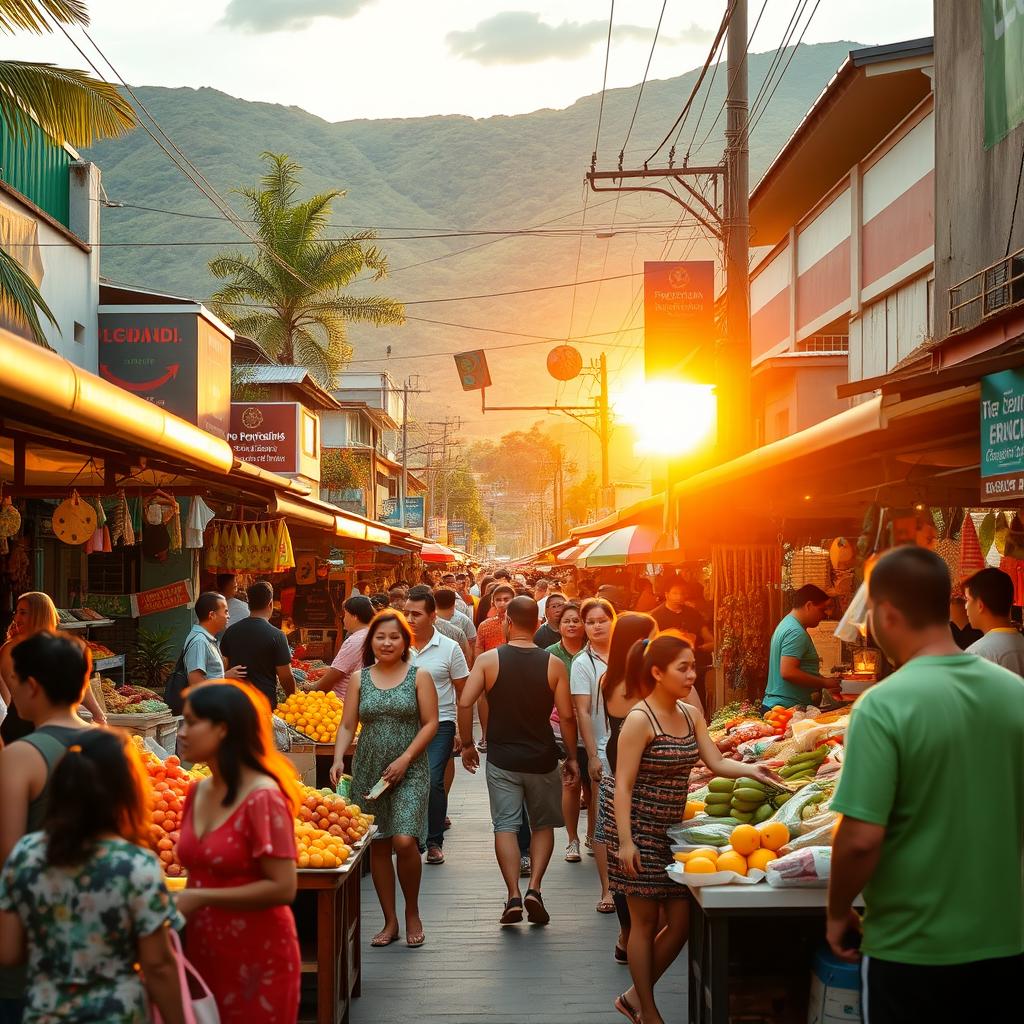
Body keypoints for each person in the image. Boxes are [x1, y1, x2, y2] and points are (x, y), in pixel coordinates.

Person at [827, 546, 1024, 1022]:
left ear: (888, 613)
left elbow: (859, 839)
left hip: (910, 948)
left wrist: (837, 913)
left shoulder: (883, 705)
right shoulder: (1015, 695)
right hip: (1006, 941)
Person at [612, 634, 782, 1024]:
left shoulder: (690, 713)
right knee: (645, 922)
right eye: (683, 668)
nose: (692, 675)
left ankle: (633, 997)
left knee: (682, 921)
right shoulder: (639, 719)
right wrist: (624, 842)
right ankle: (648, 1010)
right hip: (636, 826)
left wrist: (753, 769)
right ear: (657, 672)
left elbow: (716, 762)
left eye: (693, 666)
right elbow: (621, 784)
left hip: (674, 827)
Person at [0, 728, 186, 1024]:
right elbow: (158, 964)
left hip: (45, 1011)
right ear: (128, 790)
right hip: (118, 1012)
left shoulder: (26, 854)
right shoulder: (136, 865)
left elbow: (8, 951)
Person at [175, 682, 303, 1023]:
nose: (182, 732)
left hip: (257, 956)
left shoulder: (263, 797)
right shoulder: (197, 791)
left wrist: (199, 899)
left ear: (223, 728)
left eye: (191, 722)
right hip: (202, 951)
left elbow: (283, 886)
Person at [459, 597, 579, 927]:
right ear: (538, 622)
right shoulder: (553, 664)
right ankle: (535, 890)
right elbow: (567, 717)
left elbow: (465, 701)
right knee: (542, 826)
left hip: (502, 758)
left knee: (505, 826)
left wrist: (468, 744)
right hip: (541, 758)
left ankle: (513, 893)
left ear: (508, 622)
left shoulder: (487, 661)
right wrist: (571, 756)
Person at [0, 630, 95, 1019]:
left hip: (34, 932)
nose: (11, 691)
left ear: (32, 686)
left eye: (14, 681)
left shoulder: (20, 756)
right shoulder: (114, 746)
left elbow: (9, 858)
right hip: (97, 926)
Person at [329, 612, 438, 948]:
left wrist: (406, 758)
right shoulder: (360, 678)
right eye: (380, 637)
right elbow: (348, 724)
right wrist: (337, 758)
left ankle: (412, 912)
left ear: (405, 641)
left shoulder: (419, 676)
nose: (387, 643)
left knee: (404, 840)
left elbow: (431, 723)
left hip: (410, 769)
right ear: (370, 642)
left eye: (394, 637)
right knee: (378, 844)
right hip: (369, 770)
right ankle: (389, 921)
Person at [596, 612, 659, 964]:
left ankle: (625, 933)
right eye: (652, 636)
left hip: (615, 758)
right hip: (640, 765)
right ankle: (638, 931)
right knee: (638, 847)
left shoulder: (609, 679)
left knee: (623, 857)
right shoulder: (644, 684)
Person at [403, 591, 469, 866]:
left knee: (433, 779)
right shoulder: (397, 646)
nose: (409, 619)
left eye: (416, 614)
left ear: (432, 616)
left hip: (441, 723)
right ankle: (409, 835)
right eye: (406, 613)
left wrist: (463, 737)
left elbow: (463, 693)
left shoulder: (449, 647)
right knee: (406, 780)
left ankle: (433, 841)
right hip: (404, 723)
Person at [0, 593, 106, 744]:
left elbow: (81, 682)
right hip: (23, 729)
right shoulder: (11, 650)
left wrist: (98, 714)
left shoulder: (59, 646)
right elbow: (19, 693)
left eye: (23, 613)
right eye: (16, 612)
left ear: (40, 614)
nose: (16, 618)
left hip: (57, 727)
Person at [570, 597, 616, 910]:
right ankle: (607, 889)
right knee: (602, 820)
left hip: (635, 747)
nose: (596, 626)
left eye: (602, 619)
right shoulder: (582, 662)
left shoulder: (630, 655)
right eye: (590, 622)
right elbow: (582, 711)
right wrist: (592, 755)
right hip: (602, 748)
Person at [545, 603, 586, 862]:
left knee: (594, 786)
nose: (571, 625)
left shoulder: (593, 653)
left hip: (592, 725)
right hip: (559, 723)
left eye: (576, 621)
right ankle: (572, 839)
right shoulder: (550, 654)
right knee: (570, 783)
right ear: (558, 626)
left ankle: (594, 834)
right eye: (566, 621)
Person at [220, 580, 295, 710]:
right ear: (270, 604)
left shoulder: (231, 631)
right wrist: (292, 698)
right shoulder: (277, 636)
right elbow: (285, 677)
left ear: (249, 605)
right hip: (263, 705)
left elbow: (222, 666)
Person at [762, 584, 831, 711]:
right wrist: (824, 682)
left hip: (782, 706)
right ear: (809, 605)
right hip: (785, 708)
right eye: (822, 609)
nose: (825, 615)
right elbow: (788, 672)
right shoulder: (795, 632)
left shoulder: (787, 624)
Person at [963, 566, 1024, 674]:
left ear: (980, 605)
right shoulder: (1020, 643)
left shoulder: (976, 655)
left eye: (967, 600)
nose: (965, 606)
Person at [185, 591, 247, 690]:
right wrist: (225, 676)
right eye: (226, 611)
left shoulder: (207, 639)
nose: (228, 616)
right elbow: (195, 684)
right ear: (212, 615)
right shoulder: (199, 641)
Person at [317, 595, 375, 699]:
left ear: (355, 616)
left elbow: (335, 673)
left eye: (345, 614)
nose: (343, 619)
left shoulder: (355, 640)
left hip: (343, 701)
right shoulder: (372, 635)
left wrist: (312, 688)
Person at [435, 587, 477, 659]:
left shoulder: (426, 621)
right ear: (454, 603)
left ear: (434, 603)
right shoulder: (464, 620)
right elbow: (472, 646)